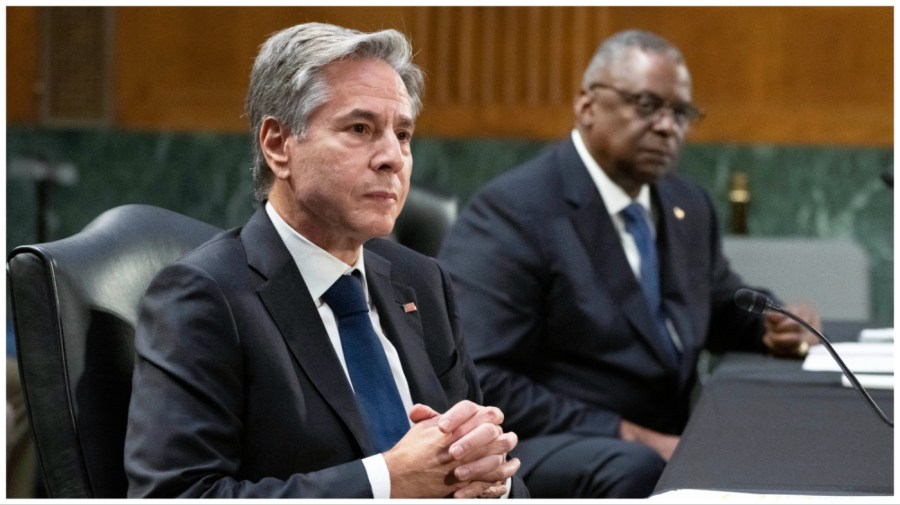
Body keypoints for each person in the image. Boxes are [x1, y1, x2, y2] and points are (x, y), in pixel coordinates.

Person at [124, 22, 526, 499]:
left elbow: (486, 466)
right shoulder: (205, 297)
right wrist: (386, 481)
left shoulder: (421, 281)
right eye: (361, 129)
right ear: (277, 145)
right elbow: (176, 495)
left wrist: (490, 481)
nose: (393, 157)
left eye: (403, 134)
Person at [437, 29, 820, 498]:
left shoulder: (686, 202)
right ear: (586, 105)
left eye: (681, 112)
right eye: (645, 105)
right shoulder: (513, 213)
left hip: (668, 438)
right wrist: (628, 434)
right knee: (636, 466)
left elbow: (716, 301)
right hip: (545, 444)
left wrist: (772, 324)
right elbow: (483, 378)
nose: (667, 126)